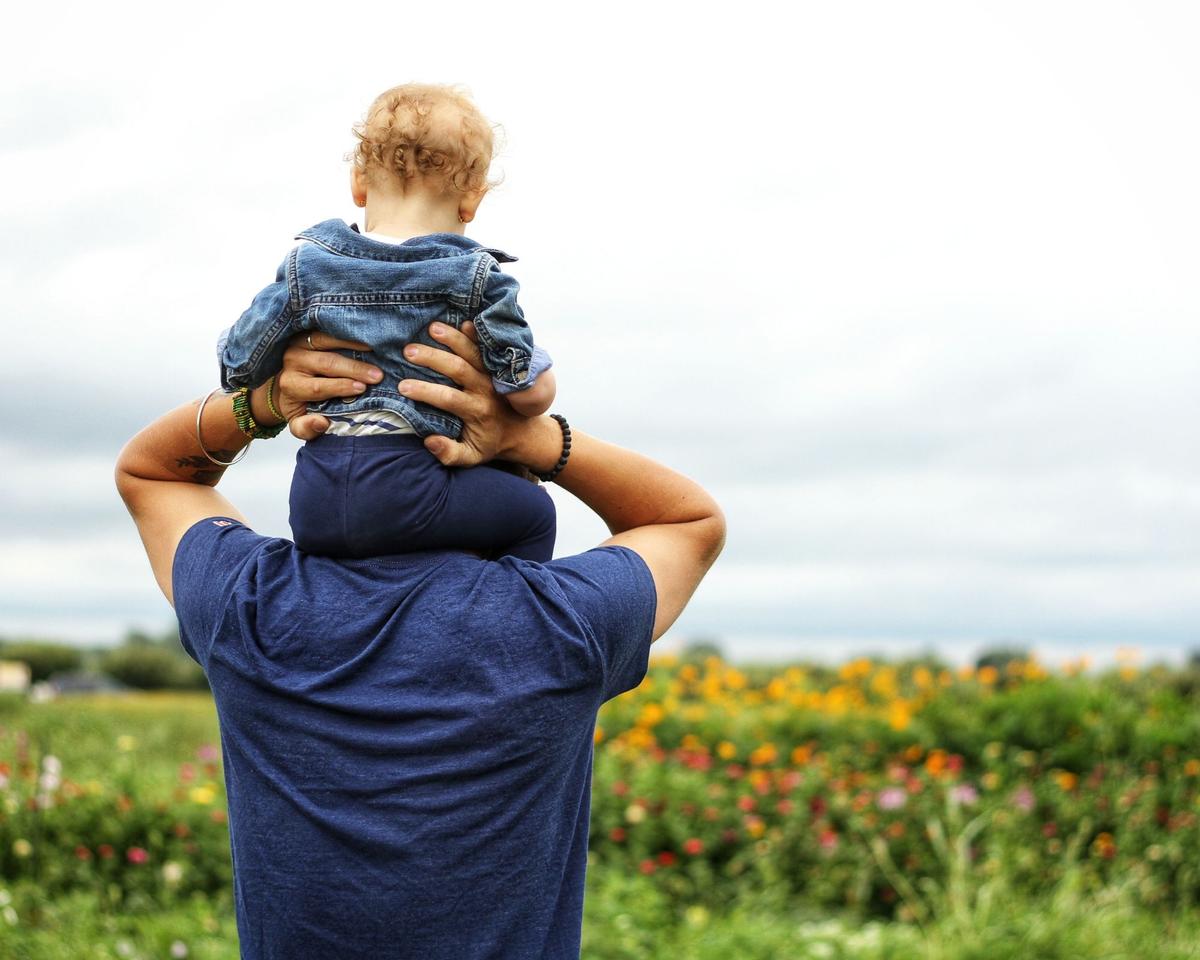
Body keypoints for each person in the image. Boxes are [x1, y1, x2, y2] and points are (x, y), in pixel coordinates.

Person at [115, 322, 725, 960]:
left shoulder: (253, 606)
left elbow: (154, 475)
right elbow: (687, 520)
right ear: (505, 486)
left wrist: (262, 403)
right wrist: (534, 437)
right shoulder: (561, 623)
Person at [219, 83, 557, 561]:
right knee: (533, 512)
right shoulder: (475, 276)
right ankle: (511, 617)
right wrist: (537, 377)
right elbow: (525, 393)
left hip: (315, 495)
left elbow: (239, 364)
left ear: (358, 184)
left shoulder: (307, 266)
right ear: (472, 202)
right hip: (414, 487)